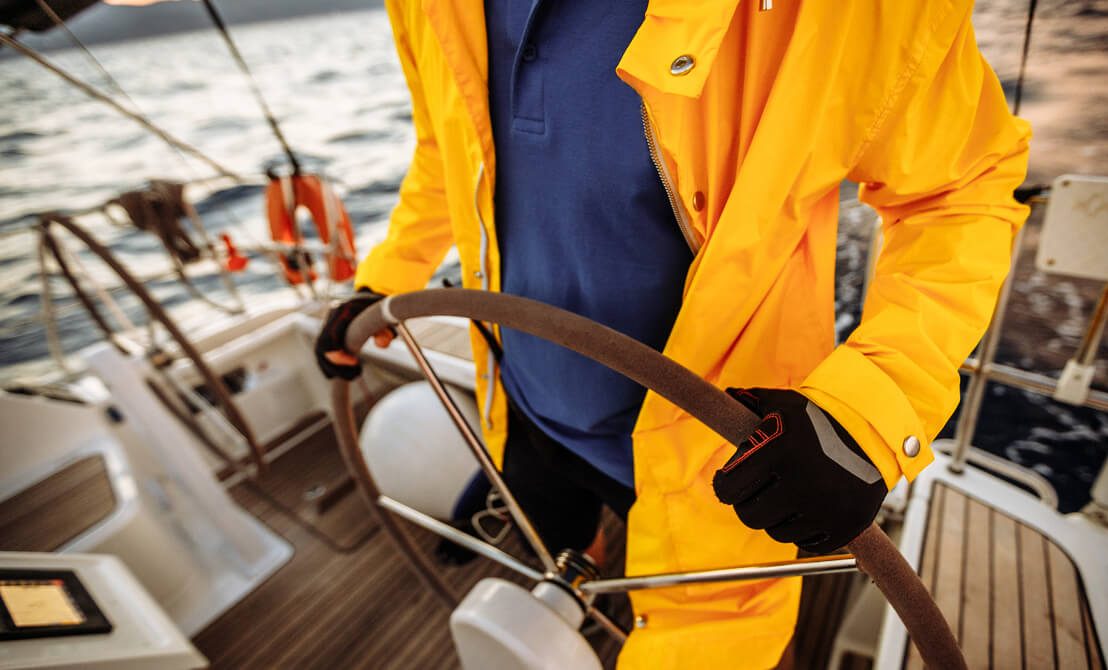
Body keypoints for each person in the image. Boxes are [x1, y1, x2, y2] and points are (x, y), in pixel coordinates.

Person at [315, 0, 1031, 667]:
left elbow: (958, 193)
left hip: (723, 457)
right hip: (525, 402)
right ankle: (585, 554)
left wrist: (872, 408)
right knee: (556, 540)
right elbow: (451, 147)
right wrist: (384, 279)